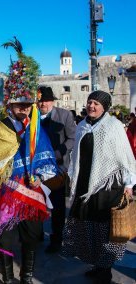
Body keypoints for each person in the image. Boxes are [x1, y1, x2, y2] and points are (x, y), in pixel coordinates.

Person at [0, 37, 59, 284]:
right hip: (6, 192)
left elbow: (45, 157)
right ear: (10, 104)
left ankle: (27, 275)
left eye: (27, 104)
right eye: (19, 104)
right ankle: (8, 277)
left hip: (31, 192)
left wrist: (42, 182)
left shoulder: (36, 128)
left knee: (32, 236)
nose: (23, 108)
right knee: (6, 237)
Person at [63, 90, 136, 284]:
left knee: (105, 229)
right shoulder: (81, 126)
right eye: (89, 102)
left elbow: (126, 157)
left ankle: (105, 269)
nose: (91, 106)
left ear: (104, 106)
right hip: (84, 185)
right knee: (87, 225)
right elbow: (76, 156)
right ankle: (96, 264)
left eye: (95, 103)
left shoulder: (113, 126)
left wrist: (129, 183)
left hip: (107, 187)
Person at [37, 86, 76, 253]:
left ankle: (56, 238)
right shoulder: (32, 116)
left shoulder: (65, 115)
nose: (42, 103)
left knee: (58, 206)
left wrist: (58, 153)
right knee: (36, 201)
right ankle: (36, 233)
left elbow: (73, 137)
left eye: (45, 100)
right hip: (36, 168)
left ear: (52, 101)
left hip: (57, 168)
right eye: (40, 100)